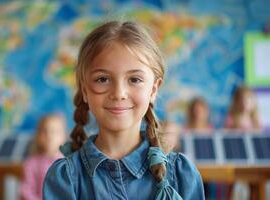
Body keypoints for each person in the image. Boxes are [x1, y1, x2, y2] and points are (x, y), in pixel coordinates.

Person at [43, 21, 204, 199]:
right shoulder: (65, 178)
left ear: (153, 89)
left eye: (134, 79)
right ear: (84, 90)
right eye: (103, 79)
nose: (119, 93)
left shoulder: (181, 174)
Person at [19, 114, 66, 200]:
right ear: (38, 136)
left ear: (63, 137)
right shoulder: (31, 163)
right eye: (45, 131)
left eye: (55, 132)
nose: (49, 136)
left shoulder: (69, 163)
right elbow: (26, 191)